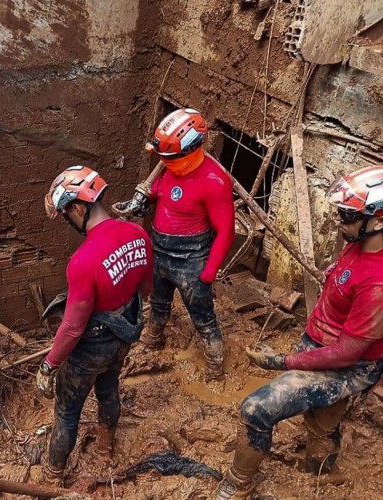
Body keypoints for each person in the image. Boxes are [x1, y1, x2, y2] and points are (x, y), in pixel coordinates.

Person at [213, 165, 383, 499]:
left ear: (379, 220)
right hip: (324, 342)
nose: (339, 221)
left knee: (256, 409)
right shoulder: (361, 240)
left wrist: (282, 360)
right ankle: (318, 475)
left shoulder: (378, 283)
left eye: (347, 215)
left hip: (347, 364)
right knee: (321, 420)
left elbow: (349, 352)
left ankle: (238, 483)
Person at [38, 165, 152, 482]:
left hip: (91, 346)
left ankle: (53, 474)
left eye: (65, 214)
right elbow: (146, 289)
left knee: (67, 411)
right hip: (123, 336)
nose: (66, 220)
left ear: (77, 207)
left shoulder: (84, 261)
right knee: (108, 390)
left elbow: (73, 327)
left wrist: (48, 365)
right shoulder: (138, 234)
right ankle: (105, 451)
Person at [134, 108, 235, 381]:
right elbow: (162, 190)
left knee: (203, 316)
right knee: (159, 302)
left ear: (192, 149)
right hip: (160, 250)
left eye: (171, 157)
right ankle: (154, 337)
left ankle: (214, 364)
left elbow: (226, 230)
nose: (165, 162)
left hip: (191, 258)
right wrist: (147, 198)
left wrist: (209, 271)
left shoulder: (214, 181)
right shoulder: (171, 167)